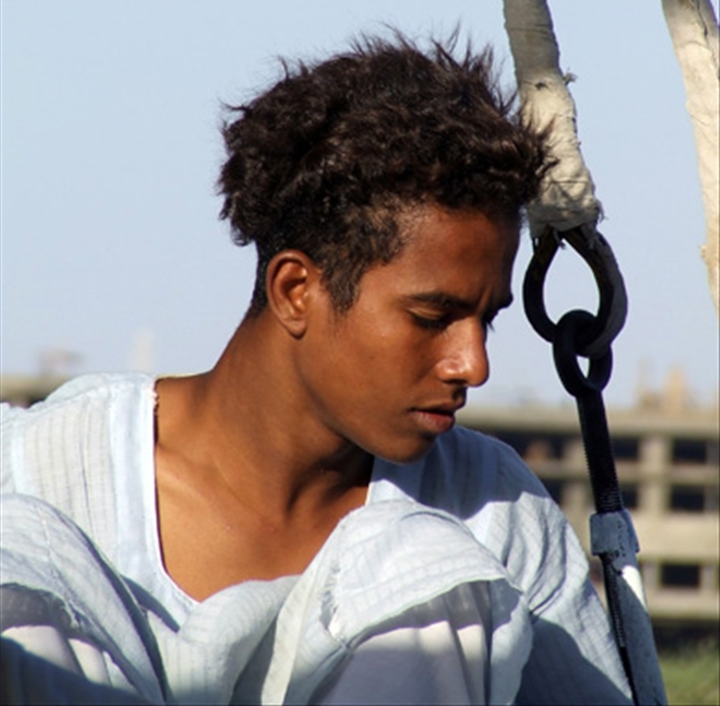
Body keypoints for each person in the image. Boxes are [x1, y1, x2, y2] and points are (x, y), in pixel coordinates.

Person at [0, 34, 632, 705]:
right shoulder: (35, 470)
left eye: (488, 320)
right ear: (296, 290)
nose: (472, 365)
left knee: (427, 568)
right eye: (430, 317)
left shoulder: (492, 511)